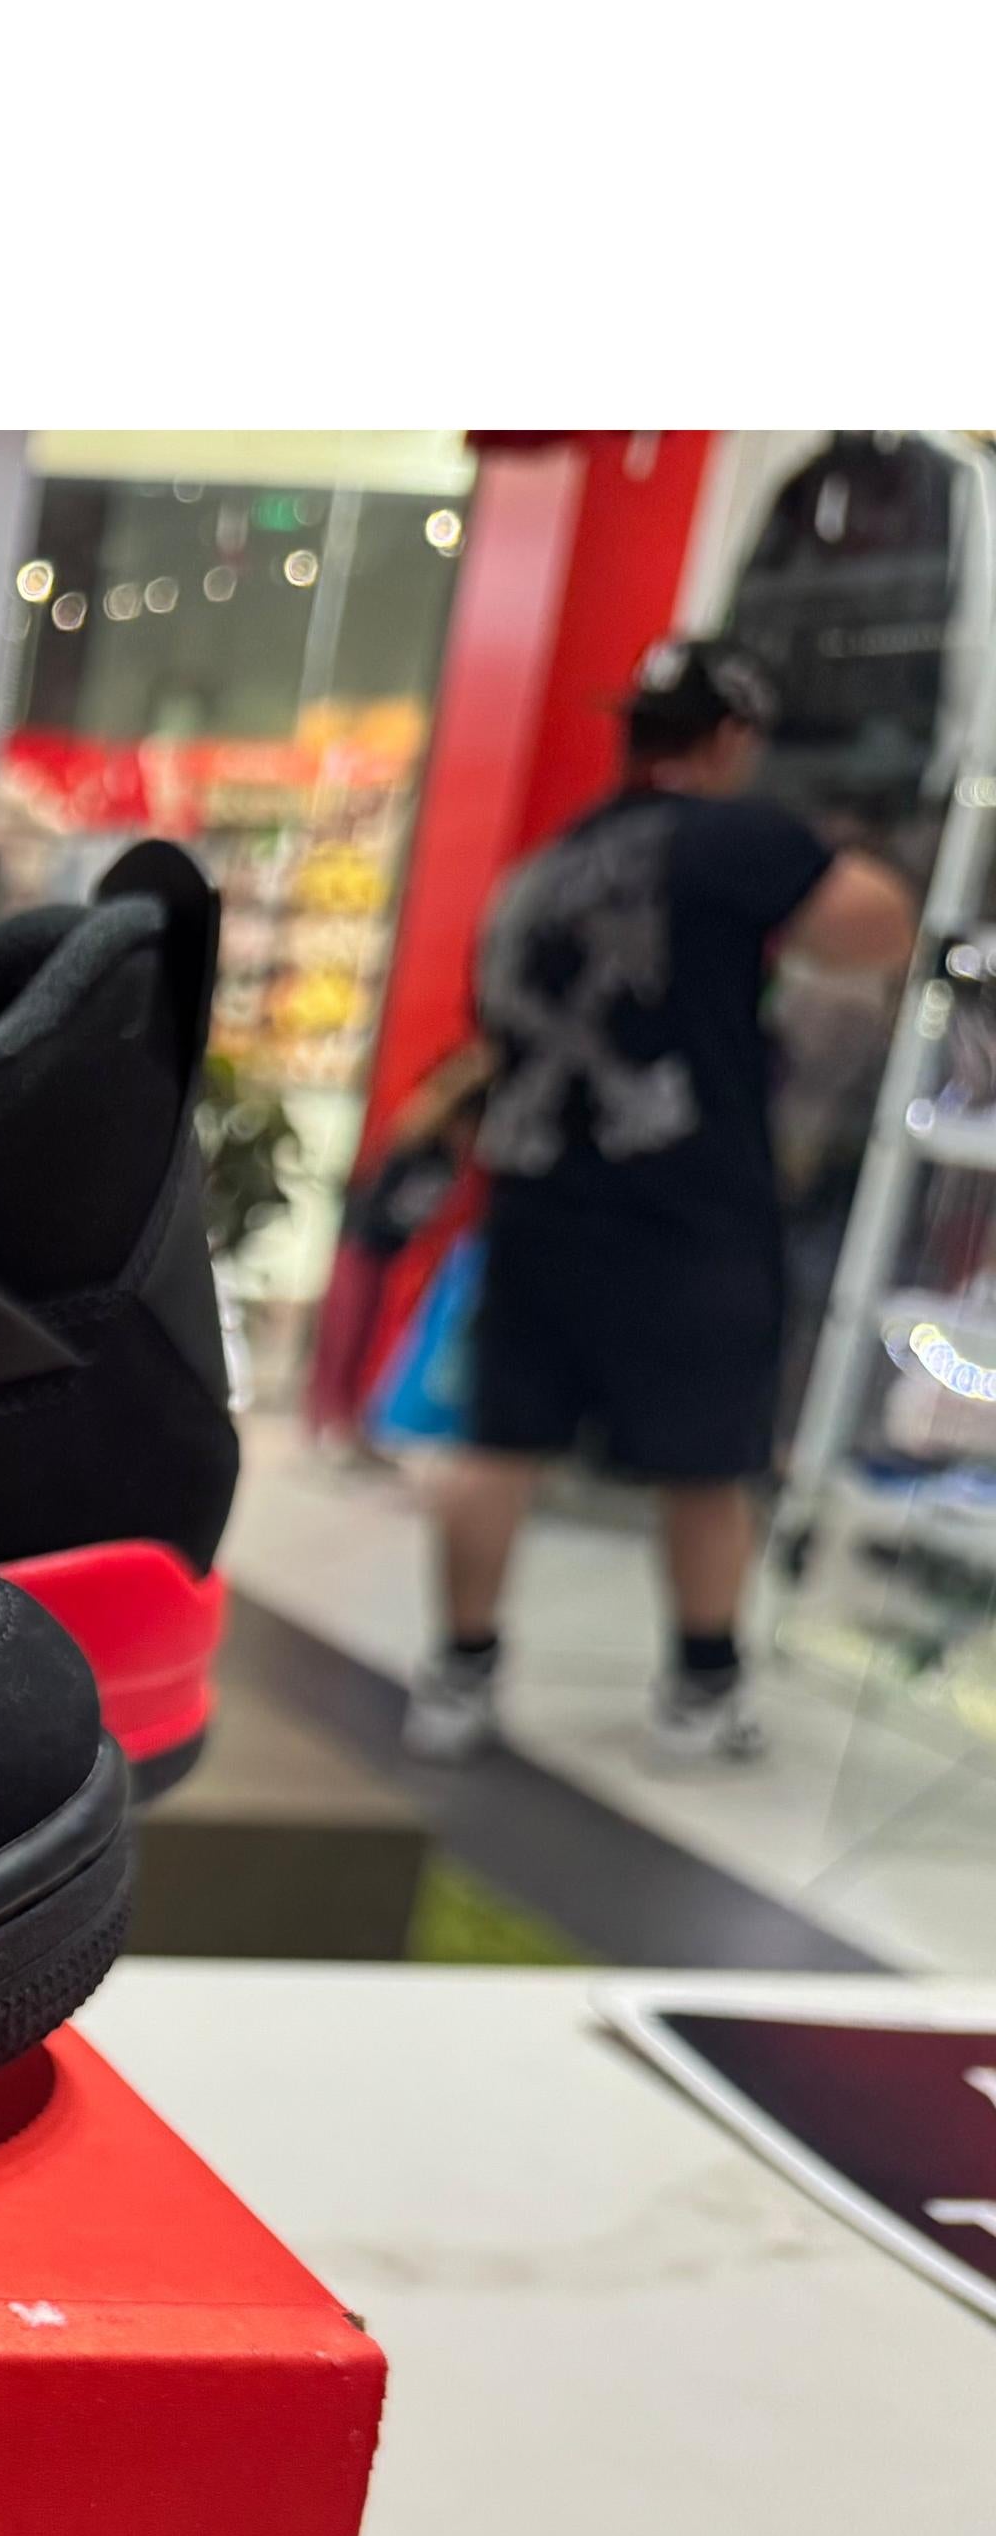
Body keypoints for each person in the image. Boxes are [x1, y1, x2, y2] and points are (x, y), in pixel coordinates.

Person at [404, 640, 917, 1765]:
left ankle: (458, 1672)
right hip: (687, 1210)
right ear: (730, 738)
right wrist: (839, 845)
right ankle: (702, 1687)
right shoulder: (734, 838)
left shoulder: (542, 869)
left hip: (540, 1196)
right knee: (706, 1463)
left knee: (499, 1442)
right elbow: (878, 928)